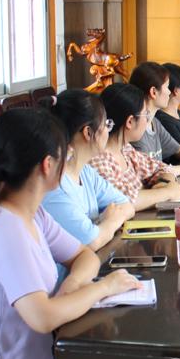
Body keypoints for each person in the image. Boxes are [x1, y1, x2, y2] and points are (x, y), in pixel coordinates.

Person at [0, 108, 145, 359]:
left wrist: (73, 284)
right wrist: (103, 287)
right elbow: (43, 317)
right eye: (66, 155)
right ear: (48, 165)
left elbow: (84, 255)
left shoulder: (33, 213)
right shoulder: (5, 228)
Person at [40, 90, 134, 250]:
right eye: (106, 125)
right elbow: (91, 242)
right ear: (88, 132)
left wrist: (99, 227)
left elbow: (126, 206)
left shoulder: (85, 172)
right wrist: (109, 221)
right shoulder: (54, 188)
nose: (108, 130)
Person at [89, 83, 180, 211]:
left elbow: (161, 168)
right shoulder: (98, 160)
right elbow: (121, 201)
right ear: (130, 121)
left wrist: (163, 184)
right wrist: (167, 192)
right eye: (146, 115)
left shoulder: (125, 149)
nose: (147, 121)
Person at [128, 61, 180, 171]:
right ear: (153, 92)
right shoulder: (136, 129)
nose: (169, 92)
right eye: (167, 87)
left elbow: (178, 150)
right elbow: (152, 173)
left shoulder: (155, 122)